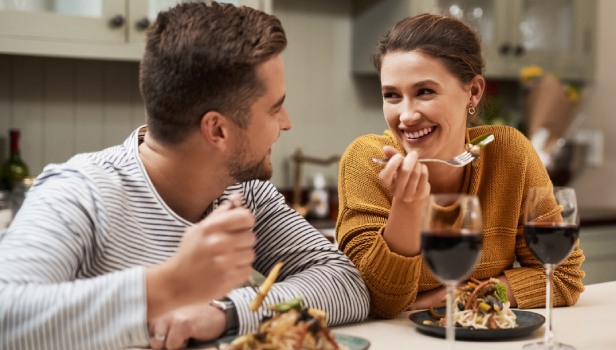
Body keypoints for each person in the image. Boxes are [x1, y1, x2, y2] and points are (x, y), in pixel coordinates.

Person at [0, 3, 369, 349]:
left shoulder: (245, 192)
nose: (287, 123)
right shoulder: (81, 191)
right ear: (218, 130)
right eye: (275, 108)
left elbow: (345, 283)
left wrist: (222, 311)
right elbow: (6, 315)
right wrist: (169, 285)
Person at [336, 13, 585, 319]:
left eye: (424, 92)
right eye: (392, 95)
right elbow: (379, 302)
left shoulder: (508, 152)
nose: (406, 115)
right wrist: (407, 207)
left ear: (474, 91)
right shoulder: (367, 160)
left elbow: (561, 277)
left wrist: (452, 295)